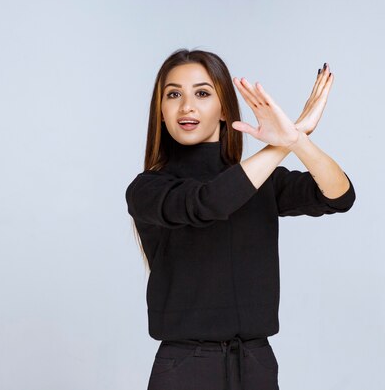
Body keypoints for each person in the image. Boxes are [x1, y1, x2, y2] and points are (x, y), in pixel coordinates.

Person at [125, 49, 356, 390]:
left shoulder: (263, 182)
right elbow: (208, 204)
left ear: (224, 109)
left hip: (255, 363)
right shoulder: (149, 188)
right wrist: (285, 142)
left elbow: (339, 196)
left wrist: (298, 142)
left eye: (202, 93)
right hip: (185, 368)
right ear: (160, 111)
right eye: (173, 94)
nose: (186, 106)